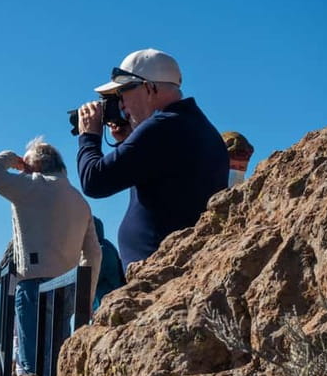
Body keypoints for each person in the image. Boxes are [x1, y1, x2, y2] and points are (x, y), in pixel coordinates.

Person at [77, 48, 228, 270]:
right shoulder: (193, 125)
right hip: (179, 262)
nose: (121, 104)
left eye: (122, 93)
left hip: (160, 268)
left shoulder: (162, 126)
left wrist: (89, 136)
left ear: (148, 87)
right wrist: (129, 140)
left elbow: (94, 181)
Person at [0, 137, 101, 375]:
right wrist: (84, 299)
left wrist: (13, 160)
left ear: (33, 165)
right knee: (56, 363)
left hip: (34, 285)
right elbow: (94, 253)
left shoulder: (31, 186)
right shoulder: (80, 201)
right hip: (67, 288)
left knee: (31, 365)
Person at [91, 216, 125, 312]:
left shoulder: (101, 250)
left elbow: (87, 280)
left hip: (107, 303)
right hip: (106, 302)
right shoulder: (105, 246)